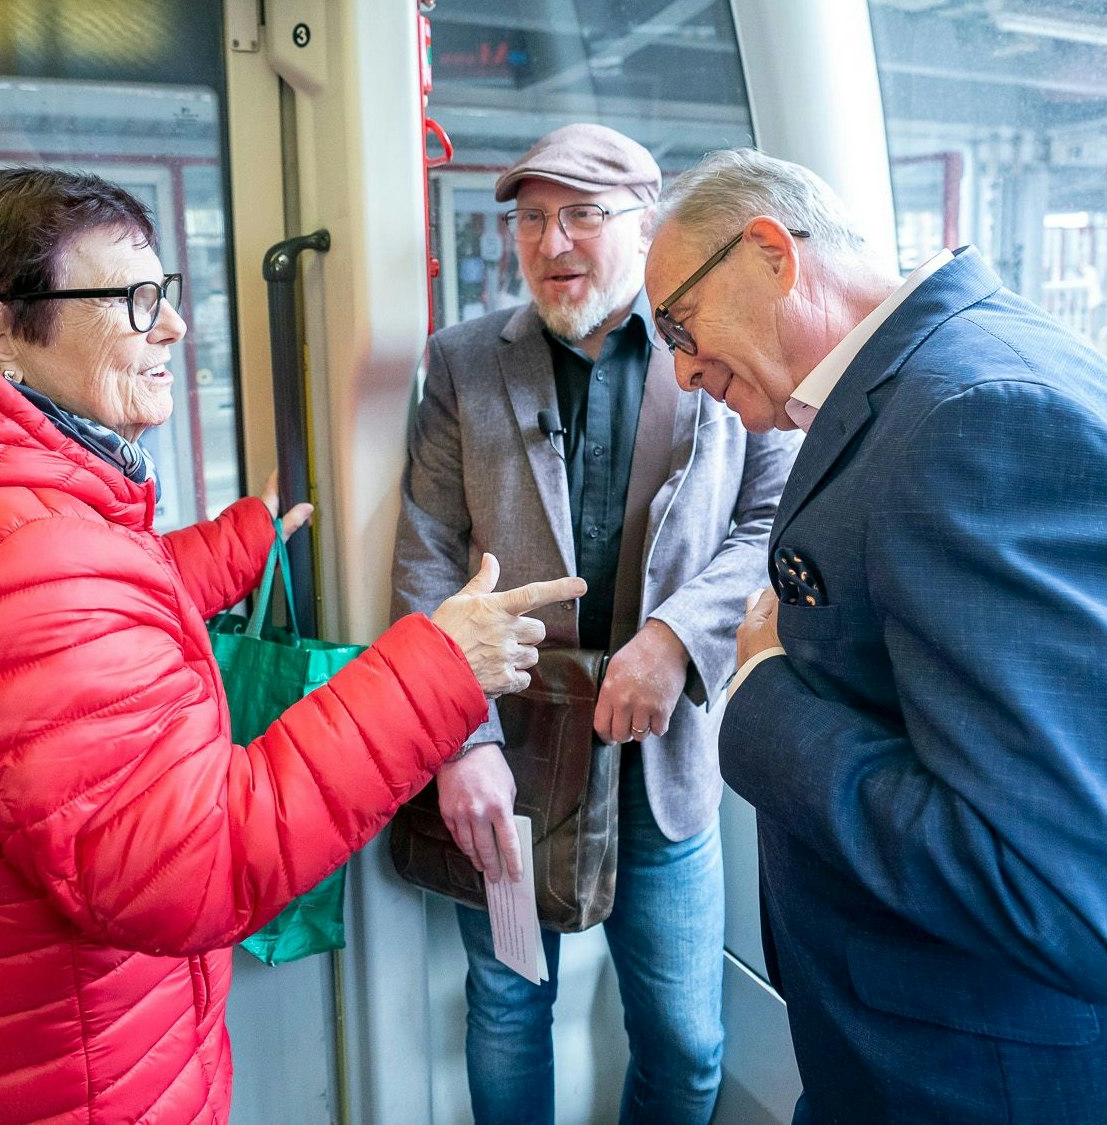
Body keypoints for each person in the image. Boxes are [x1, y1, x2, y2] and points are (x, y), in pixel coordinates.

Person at [0, 167, 583, 1124]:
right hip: (47, 1079)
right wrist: (436, 668)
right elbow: (196, 860)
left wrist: (239, 542)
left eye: (165, 295)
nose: (174, 328)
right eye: (134, 301)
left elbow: (47, 668)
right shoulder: (19, 563)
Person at [644, 148, 1107, 1124]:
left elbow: (1065, 898)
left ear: (769, 254)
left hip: (1024, 1082)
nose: (681, 370)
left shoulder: (983, 419)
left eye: (677, 324)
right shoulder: (926, 389)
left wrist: (761, 699)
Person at [392, 125, 797, 1124]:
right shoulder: (462, 364)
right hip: (511, 772)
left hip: (659, 769)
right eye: (531, 219)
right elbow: (425, 556)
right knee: (506, 1003)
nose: (550, 241)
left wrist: (675, 638)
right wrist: (459, 742)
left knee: (686, 1043)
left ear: (643, 223)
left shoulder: (715, 350)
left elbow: (772, 523)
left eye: (580, 214)